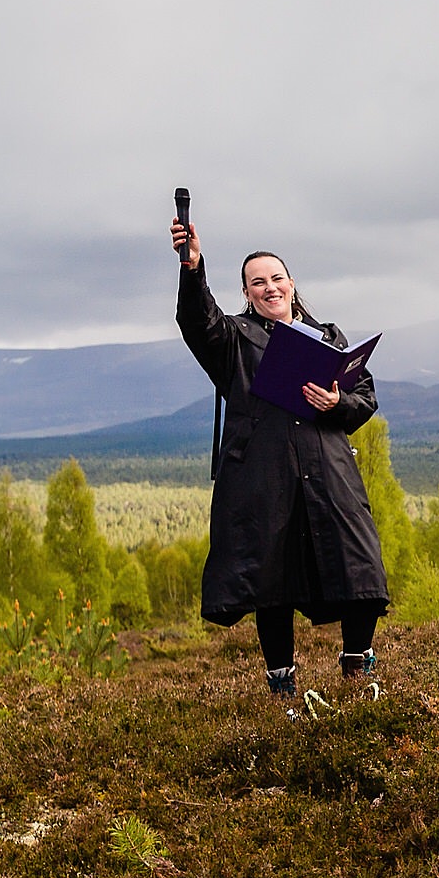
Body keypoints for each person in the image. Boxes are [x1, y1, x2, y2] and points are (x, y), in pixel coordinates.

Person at [170, 219, 390, 699]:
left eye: (276, 278)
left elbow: (365, 398)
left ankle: (357, 665)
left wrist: (337, 402)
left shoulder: (327, 338)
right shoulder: (234, 338)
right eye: (257, 282)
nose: (269, 287)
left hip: (330, 474)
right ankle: (282, 686)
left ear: (292, 284)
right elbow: (197, 320)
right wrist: (193, 267)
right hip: (265, 479)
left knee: (360, 565)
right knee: (273, 581)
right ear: (247, 294)